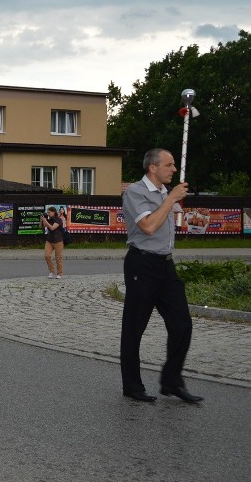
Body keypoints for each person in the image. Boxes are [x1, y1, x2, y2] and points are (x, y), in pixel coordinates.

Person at [120, 148, 202, 403]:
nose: (174, 169)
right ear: (153, 167)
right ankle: (132, 386)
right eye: (169, 165)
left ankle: (171, 380)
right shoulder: (136, 192)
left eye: (174, 165)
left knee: (182, 324)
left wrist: (171, 199)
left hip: (166, 266)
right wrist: (171, 200)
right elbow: (148, 227)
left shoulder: (165, 192)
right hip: (142, 265)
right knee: (135, 328)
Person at [41, 206, 65, 279]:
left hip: (58, 241)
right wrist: (42, 220)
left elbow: (52, 228)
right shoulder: (49, 219)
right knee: (47, 256)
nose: (48, 214)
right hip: (49, 240)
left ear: (53, 212)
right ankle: (52, 271)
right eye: (47, 212)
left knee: (58, 258)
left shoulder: (58, 219)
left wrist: (45, 221)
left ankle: (59, 273)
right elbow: (42, 226)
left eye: (49, 212)